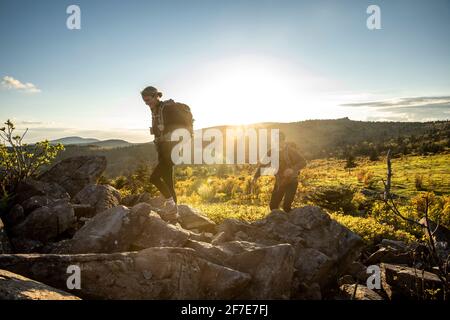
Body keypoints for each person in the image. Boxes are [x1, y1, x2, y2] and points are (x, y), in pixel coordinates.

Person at [141, 86, 193, 221]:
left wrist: (166, 129)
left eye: (148, 100)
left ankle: (170, 204)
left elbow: (182, 126)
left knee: (154, 178)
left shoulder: (168, 108)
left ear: (156, 96)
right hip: (162, 148)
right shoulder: (155, 109)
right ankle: (174, 214)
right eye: (145, 101)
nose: (147, 103)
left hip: (171, 148)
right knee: (168, 182)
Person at [252, 132, 307, 212]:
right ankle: (280, 222)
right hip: (280, 182)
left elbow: (303, 162)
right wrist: (256, 176)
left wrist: (292, 169)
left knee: (286, 207)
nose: (277, 143)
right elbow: (263, 165)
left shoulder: (291, 151)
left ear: (283, 141)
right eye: (275, 141)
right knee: (273, 207)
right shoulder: (271, 152)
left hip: (292, 182)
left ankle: (290, 222)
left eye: (279, 141)